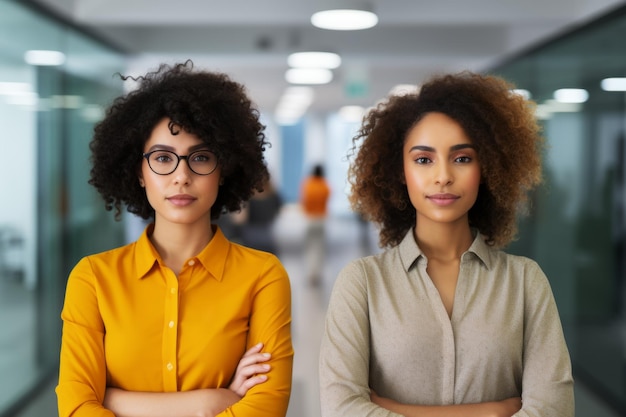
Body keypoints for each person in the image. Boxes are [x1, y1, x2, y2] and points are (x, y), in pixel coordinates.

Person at [319, 72, 574, 416]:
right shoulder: (362, 283)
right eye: (423, 159)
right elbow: (341, 410)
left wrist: (396, 409)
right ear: (400, 171)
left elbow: (554, 410)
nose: (443, 176)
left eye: (462, 158)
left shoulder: (526, 282)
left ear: (488, 169)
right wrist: (491, 412)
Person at [56, 61, 293, 417]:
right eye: (163, 158)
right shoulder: (92, 279)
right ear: (139, 172)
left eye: (200, 157)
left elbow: (265, 409)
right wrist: (209, 403)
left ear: (223, 170)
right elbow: (75, 409)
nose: (181, 176)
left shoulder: (263, 276)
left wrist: (113, 399)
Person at [300, 164, 331, 285]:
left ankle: (310, 273)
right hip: (321, 219)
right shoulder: (325, 185)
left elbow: (304, 201)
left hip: (309, 218)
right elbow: (327, 199)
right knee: (319, 248)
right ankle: (318, 274)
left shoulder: (308, 185)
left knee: (309, 248)